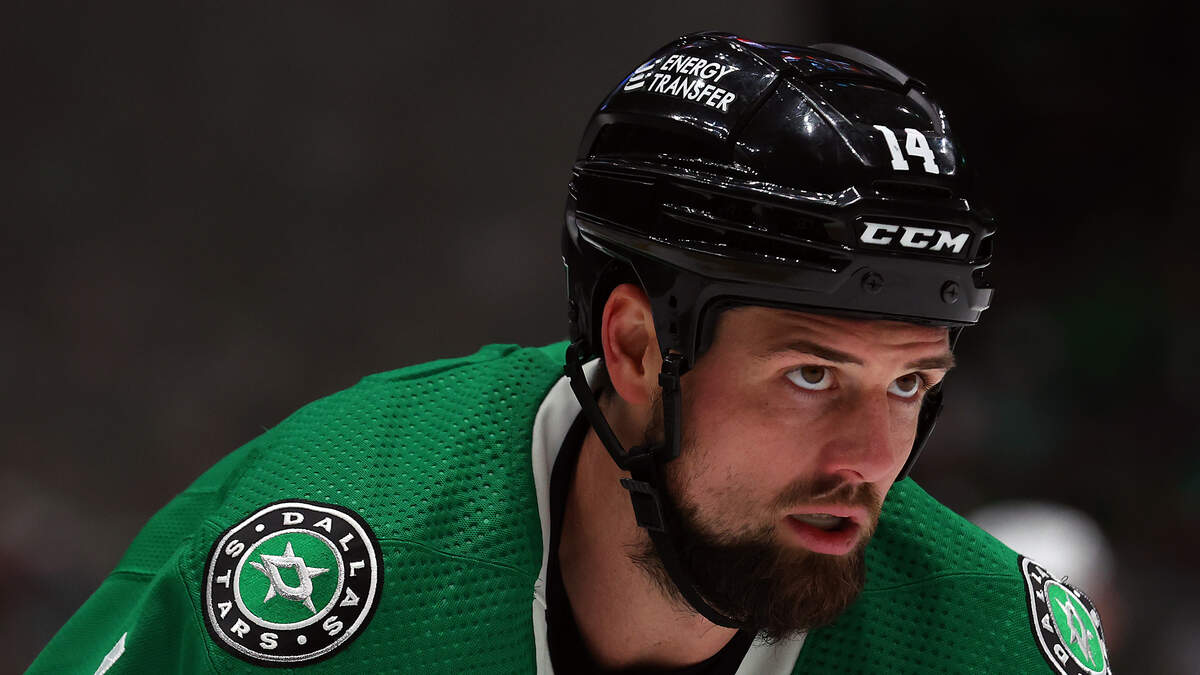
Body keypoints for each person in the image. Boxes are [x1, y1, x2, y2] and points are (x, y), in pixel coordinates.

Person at [29, 32, 1110, 674]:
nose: (871, 455)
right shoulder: (322, 561)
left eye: (911, 381)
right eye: (811, 375)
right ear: (637, 347)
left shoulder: (985, 645)